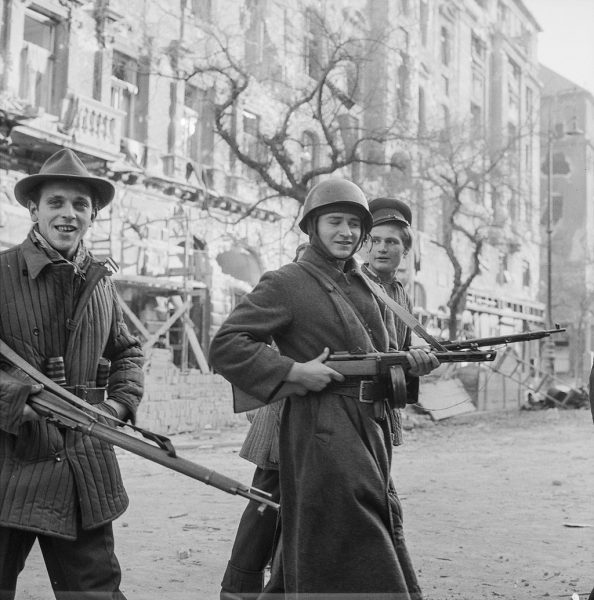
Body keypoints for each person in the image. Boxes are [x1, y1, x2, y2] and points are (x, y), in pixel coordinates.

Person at [209, 178, 439, 599]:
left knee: (321, 541)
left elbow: (381, 358)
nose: (346, 232)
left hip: (369, 431)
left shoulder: (368, 285)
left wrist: (412, 365)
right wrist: (293, 372)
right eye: (335, 222)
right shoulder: (288, 281)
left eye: (354, 224)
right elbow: (227, 345)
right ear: (313, 225)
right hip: (321, 430)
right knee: (359, 537)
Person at [0, 148, 144, 600]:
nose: (68, 214)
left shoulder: (101, 281)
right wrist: (17, 401)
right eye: (56, 202)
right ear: (34, 210)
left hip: (83, 464)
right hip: (8, 464)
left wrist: (117, 405)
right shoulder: (1, 272)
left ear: (92, 215)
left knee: (96, 592)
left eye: (80, 205)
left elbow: (128, 352)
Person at [220, 243, 308, 600]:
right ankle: (239, 589)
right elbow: (239, 345)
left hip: (310, 420)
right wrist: (262, 393)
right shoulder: (285, 293)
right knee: (264, 508)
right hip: (279, 419)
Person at [362, 196, 416, 446]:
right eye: (375, 240)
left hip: (381, 405)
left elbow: (403, 351)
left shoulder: (401, 296)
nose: (382, 248)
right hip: (347, 404)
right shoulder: (349, 283)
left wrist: (416, 365)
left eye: (391, 241)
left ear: (405, 250)